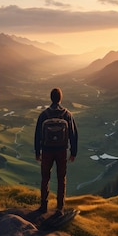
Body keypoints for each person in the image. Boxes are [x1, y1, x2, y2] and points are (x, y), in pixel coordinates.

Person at [34, 87, 78, 215]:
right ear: (60, 98)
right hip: (61, 151)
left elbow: (38, 135)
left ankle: (43, 205)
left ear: (50, 98)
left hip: (47, 150)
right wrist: (73, 152)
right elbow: (73, 134)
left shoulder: (43, 115)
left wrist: (38, 152)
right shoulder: (67, 114)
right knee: (61, 178)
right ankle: (60, 208)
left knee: (45, 178)